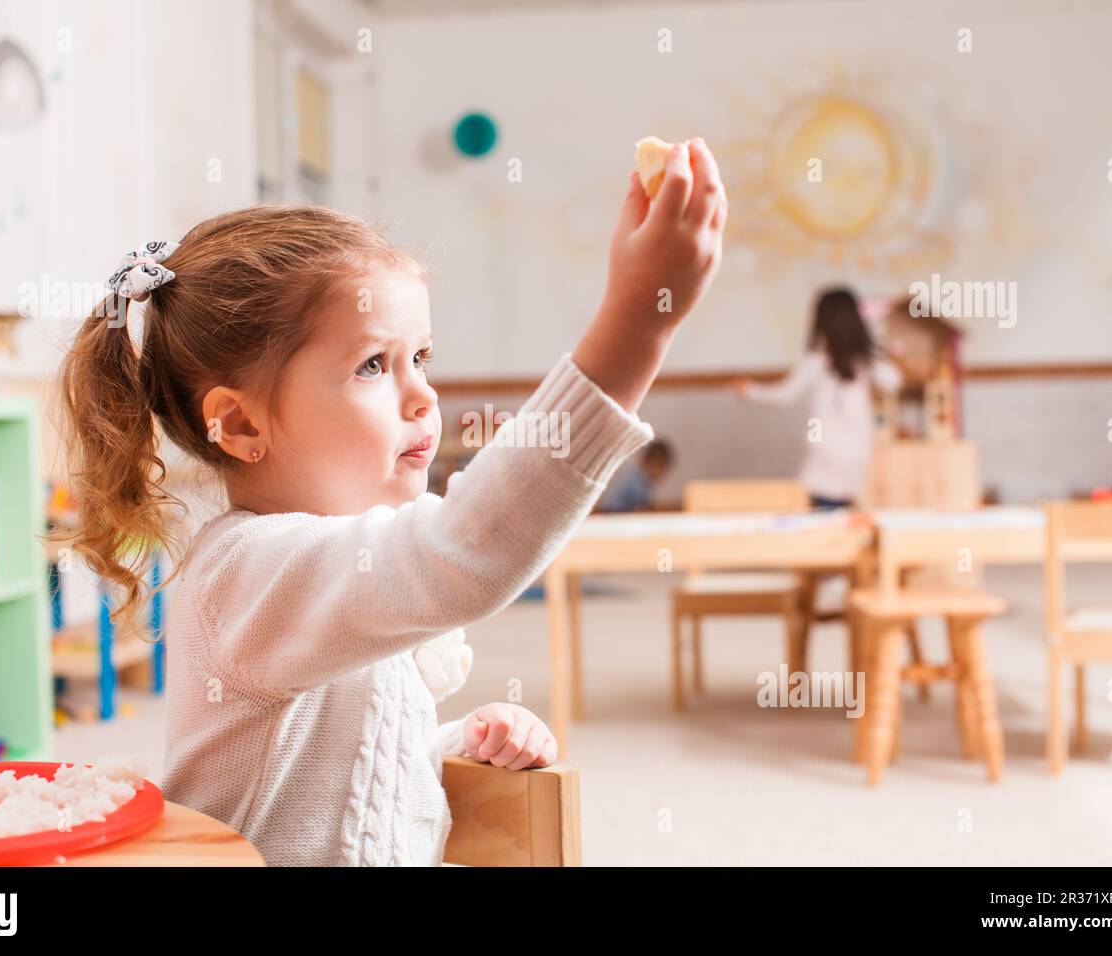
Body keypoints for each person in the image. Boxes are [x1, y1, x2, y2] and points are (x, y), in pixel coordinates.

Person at [55, 138, 726, 865]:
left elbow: (349, 779)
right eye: (374, 364)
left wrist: (460, 743)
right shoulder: (244, 575)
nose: (423, 396)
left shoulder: (344, 580)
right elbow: (468, 552)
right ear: (242, 423)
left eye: (422, 358)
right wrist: (636, 324)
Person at [732, 287, 901, 509]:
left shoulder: (817, 360)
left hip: (822, 438)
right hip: (858, 445)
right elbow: (894, 380)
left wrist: (750, 391)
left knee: (823, 503)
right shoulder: (866, 360)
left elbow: (785, 395)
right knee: (841, 503)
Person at [598, 438, 674, 512]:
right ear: (646, 463)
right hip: (613, 512)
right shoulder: (636, 481)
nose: (660, 473)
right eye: (658, 467)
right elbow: (641, 506)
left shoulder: (644, 480)